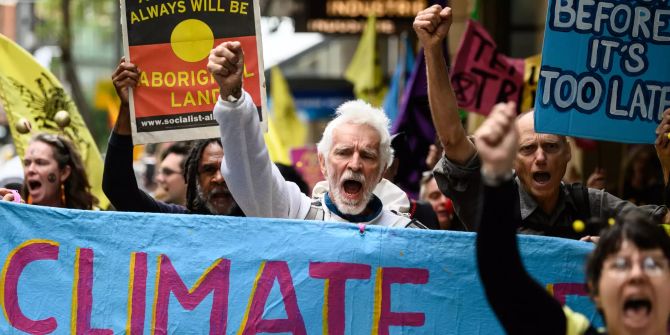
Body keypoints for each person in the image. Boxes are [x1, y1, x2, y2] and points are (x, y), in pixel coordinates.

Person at [414, 5, 668, 239]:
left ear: (568, 152)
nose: (540, 158)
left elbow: (665, 222)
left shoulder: (590, 205)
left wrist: (667, 165)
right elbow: (452, 138)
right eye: (527, 148)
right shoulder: (490, 201)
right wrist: (433, 49)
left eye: (551, 146)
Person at [475, 101, 670, 335]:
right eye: (620, 265)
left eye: (652, 265)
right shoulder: (573, 331)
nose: (637, 275)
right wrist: (496, 177)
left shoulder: (591, 201)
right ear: (595, 291)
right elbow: (503, 278)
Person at [208, 42, 423, 227]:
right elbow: (251, 175)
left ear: (383, 170)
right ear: (322, 162)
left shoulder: (407, 235)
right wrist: (233, 99)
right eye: (344, 152)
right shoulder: (298, 216)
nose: (355, 165)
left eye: (367, 156)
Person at [103, 58, 242, 216]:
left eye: (227, 169)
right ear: (193, 180)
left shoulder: (263, 215)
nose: (219, 178)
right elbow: (118, 189)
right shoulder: (177, 222)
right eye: (209, 169)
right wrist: (128, 108)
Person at [20, 133, 97, 209]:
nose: (30, 170)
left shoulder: (85, 219)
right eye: (27, 163)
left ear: (64, 173)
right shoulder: (18, 217)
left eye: (40, 163)